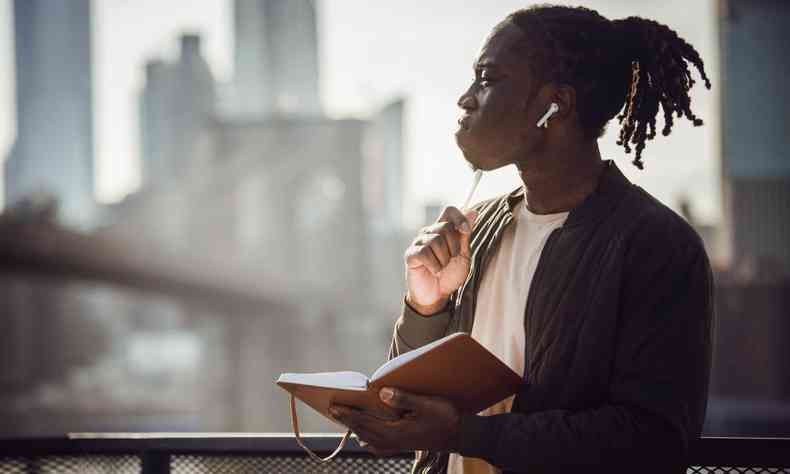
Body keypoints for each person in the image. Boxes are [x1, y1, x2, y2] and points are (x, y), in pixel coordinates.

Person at [329, 5, 714, 473]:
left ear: (557, 105)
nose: (465, 100)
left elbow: (653, 440)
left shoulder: (656, 246)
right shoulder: (480, 229)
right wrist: (426, 306)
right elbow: (410, 402)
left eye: (487, 79)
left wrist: (462, 433)